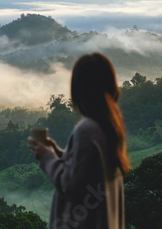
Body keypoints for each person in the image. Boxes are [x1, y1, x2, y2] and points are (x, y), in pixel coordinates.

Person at [28, 52, 130, 229]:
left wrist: (47, 157)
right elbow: (89, 171)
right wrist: (59, 153)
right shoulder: (110, 125)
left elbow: (70, 184)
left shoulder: (87, 129)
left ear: (78, 90)